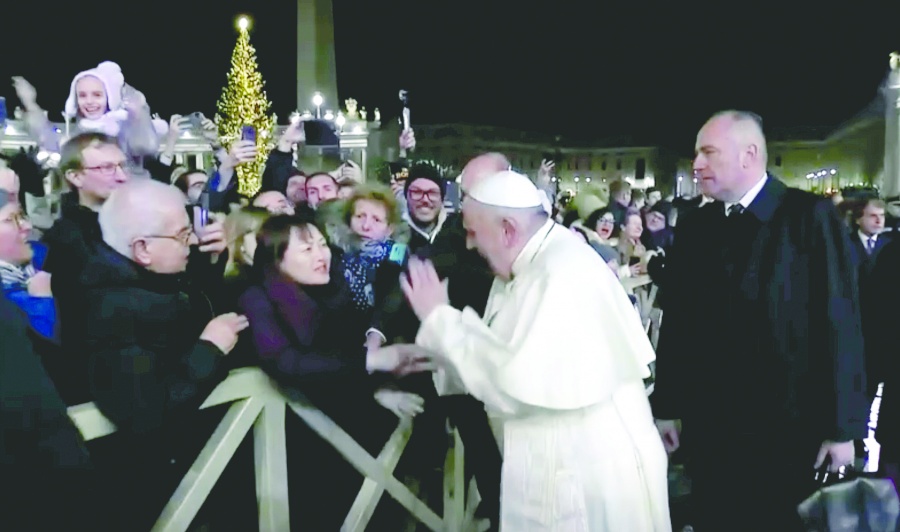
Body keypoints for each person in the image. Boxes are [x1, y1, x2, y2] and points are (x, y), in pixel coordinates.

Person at [400, 170, 670, 531]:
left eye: (473, 232)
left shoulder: (558, 273)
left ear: (508, 229)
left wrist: (439, 321)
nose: (468, 245)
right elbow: (502, 346)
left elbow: (511, 382)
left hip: (586, 476)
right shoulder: (533, 262)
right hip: (566, 464)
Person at [652, 110, 868, 530]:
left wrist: (843, 429)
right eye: (697, 153)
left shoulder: (809, 218)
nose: (696, 164)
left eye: (708, 152)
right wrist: (668, 405)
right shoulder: (698, 225)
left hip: (788, 431)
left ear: (750, 154)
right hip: (712, 427)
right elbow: (679, 324)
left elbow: (842, 324)